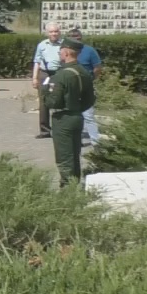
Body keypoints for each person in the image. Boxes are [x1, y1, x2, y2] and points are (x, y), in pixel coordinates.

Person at [43, 39, 95, 185]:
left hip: (62, 118)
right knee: (74, 155)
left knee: (64, 156)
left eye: (60, 51)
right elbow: (90, 99)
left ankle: (67, 190)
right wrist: (77, 108)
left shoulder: (62, 75)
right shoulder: (83, 72)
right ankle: (75, 183)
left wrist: (45, 91)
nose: (59, 53)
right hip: (77, 116)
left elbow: (53, 102)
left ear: (65, 52)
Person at [67, 27, 103, 145]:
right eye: (73, 38)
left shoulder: (89, 50)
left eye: (78, 38)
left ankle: (95, 142)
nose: (77, 40)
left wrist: (92, 78)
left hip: (86, 86)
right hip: (71, 87)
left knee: (88, 115)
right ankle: (77, 140)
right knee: (74, 114)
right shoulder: (66, 52)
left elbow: (97, 67)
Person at [31, 23, 63, 138]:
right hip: (45, 74)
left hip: (59, 73)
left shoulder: (64, 45)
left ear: (59, 32)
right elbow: (37, 62)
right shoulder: (42, 45)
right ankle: (44, 130)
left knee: (59, 100)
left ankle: (60, 129)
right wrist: (34, 78)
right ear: (47, 33)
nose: (53, 34)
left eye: (56, 31)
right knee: (44, 101)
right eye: (51, 32)